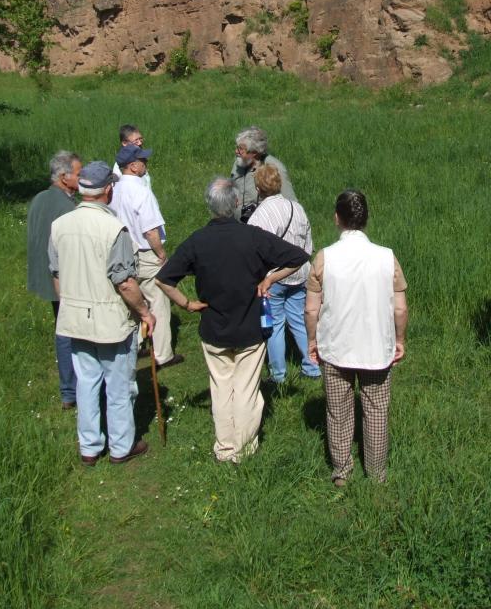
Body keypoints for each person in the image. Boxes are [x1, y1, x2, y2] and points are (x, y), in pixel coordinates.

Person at [155, 177, 309, 463]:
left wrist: (187, 304)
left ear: (209, 207)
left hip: (213, 329)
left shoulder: (197, 241)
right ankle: (244, 450)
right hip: (249, 328)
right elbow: (299, 256)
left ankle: (224, 448)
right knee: (247, 391)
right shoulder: (253, 237)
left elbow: (164, 279)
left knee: (221, 388)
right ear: (237, 203)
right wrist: (270, 278)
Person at [49, 160, 156, 465]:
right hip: (111, 320)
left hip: (74, 318)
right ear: (107, 190)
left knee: (86, 383)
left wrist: (71, 303)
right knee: (119, 386)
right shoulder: (113, 228)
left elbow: (56, 274)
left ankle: (89, 447)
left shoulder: (60, 225)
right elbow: (124, 282)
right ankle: (121, 447)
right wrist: (144, 311)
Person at [305, 189, 408, 487]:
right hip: (377, 347)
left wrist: (312, 341)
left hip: (335, 347)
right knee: (376, 411)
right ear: (366, 219)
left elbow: (311, 309)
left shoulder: (324, 258)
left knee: (338, 412)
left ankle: (342, 472)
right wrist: (399, 339)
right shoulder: (387, 258)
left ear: (337, 219)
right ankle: (376, 474)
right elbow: (400, 307)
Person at [110, 142, 183, 370]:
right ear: (133, 166)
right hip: (146, 252)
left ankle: (138, 342)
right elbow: (150, 230)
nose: (146, 163)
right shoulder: (141, 191)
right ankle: (163, 354)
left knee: (132, 300)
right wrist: (161, 254)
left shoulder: (114, 191)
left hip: (122, 253)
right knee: (158, 301)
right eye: (143, 160)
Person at [248, 164, 318, 384]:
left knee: (275, 324)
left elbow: (254, 250)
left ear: (258, 188)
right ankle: (312, 365)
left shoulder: (260, 215)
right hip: (300, 272)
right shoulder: (297, 208)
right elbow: (308, 246)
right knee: (299, 320)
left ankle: (278, 374)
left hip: (274, 277)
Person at [27, 150, 82, 409]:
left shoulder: (38, 199)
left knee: (63, 329)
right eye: (79, 175)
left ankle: (70, 390)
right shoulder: (66, 207)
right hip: (64, 279)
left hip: (46, 277)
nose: (82, 180)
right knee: (69, 333)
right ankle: (71, 390)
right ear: (64, 177)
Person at [231, 126, 294, 221]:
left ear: (254, 153)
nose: (236, 152)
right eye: (237, 147)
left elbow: (291, 205)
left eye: (240, 149)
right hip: (237, 225)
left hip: (262, 227)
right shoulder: (239, 162)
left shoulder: (274, 168)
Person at [112, 124, 151, 188]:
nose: (140, 143)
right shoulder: (120, 169)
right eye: (136, 141)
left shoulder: (140, 160)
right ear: (124, 143)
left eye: (140, 139)